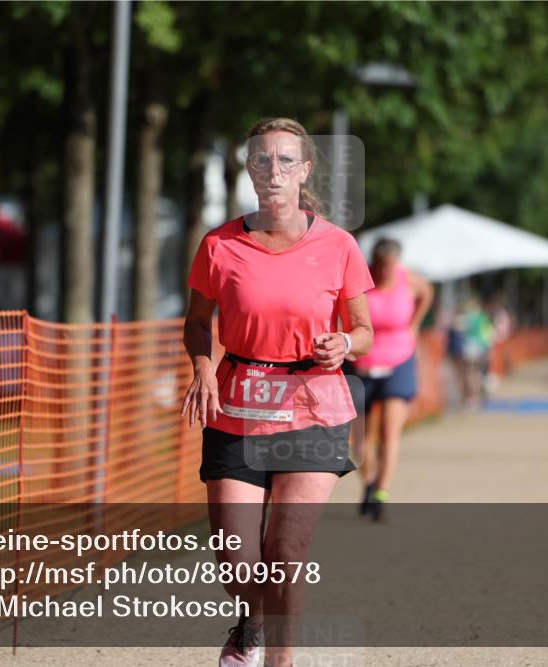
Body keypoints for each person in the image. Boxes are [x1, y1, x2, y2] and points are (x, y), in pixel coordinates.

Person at [181, 117, 374, 667]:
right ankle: (253, 620)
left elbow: (363, 330)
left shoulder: (338, 245)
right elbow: (197, 322)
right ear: (249, 168)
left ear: (304, 170)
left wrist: (345, 344)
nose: (274, 170)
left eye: (286, 160)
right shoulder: (220, 245)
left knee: (285, 555)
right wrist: (201, 365)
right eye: (262, 159)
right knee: (238, 563)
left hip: (313, 405)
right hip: (236, 404)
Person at [342, 238, 433, 521]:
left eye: (392, 266)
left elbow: (427, 293)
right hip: (363, 362)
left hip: (399, 360)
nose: (387, 272)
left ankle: (382, 493)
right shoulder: (360, 281)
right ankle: (368, 484)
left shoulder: (409, 280)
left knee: (390, 434)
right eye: (382, 267)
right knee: (361, 437)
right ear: (374, 262)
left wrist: (414, 326)